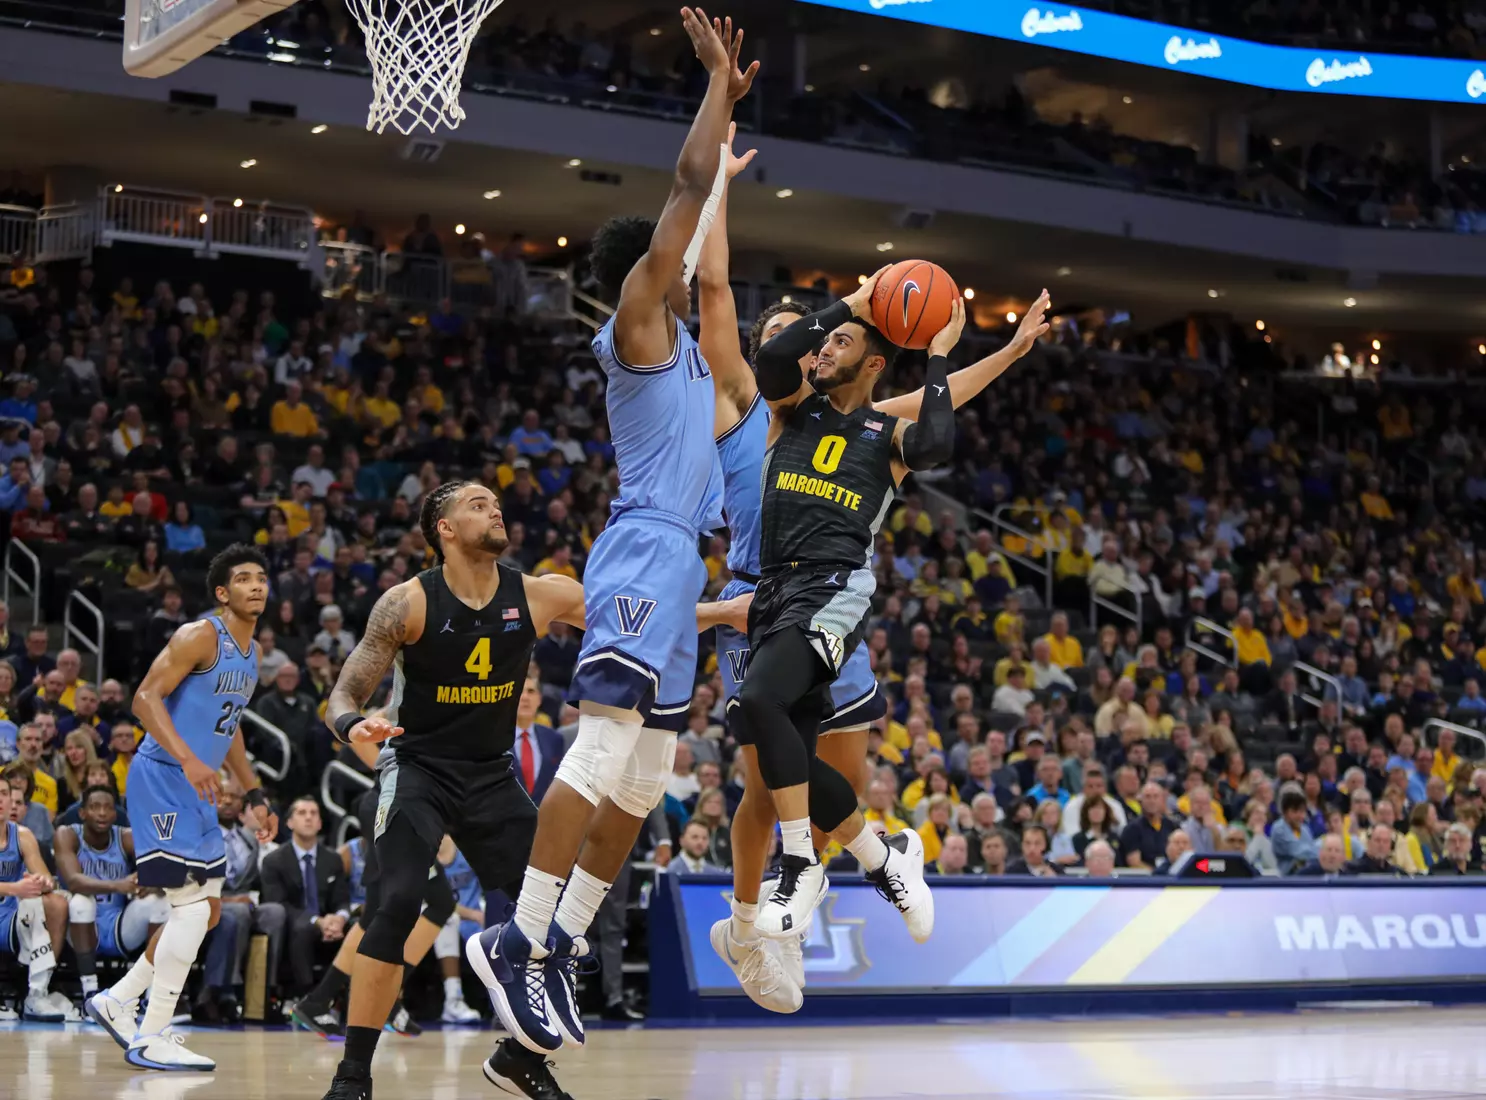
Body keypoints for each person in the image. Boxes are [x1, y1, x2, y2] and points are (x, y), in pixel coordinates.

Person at [695, 122, 1051, 1010]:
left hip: (827, 591)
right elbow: (716, 292)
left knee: (824, 776)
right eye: (788, 334)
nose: (806, 345)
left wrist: (1001, 354)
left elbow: (934, 414)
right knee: (759, 762)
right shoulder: (754, 399)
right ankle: (755, 925)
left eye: (814, 338)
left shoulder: (857, 421)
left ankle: (838, 868)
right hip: (756, 588)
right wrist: (718, 192)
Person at [479, 9, 761, 1062]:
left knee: (644, 782)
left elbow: (709, 230)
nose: (686, 260)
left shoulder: (692, 347)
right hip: (641, 543)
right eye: (674, 254)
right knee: (598, 748)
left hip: (680, 557)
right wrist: (713, 94)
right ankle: (517, 931)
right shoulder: (639, 323)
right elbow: (681, 202)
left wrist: (729, 169)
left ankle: (557, 944)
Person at [317, 480, 748, 1099]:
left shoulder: (540, 594)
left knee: (545, 917)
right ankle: (353, 1075)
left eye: (495, 502)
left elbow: (643, 621)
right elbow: (343, 693)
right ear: (442, 527)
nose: (494, 509)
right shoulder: (407, 604)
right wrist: (354, 724)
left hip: (491, 775)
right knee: (398, 902)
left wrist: (723, 614)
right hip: (418, 768)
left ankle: (521, 1057)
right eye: (476, 504)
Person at [85, 545, 279, 1071]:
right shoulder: (199, 636)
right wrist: (191, 760)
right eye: (244, 579)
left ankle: (118, 998)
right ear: (223, 592)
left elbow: (230, 722)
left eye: (261, 578)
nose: (256, 586)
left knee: (208, 910)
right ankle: (153, 1032)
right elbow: (144, 699)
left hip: (197, 785)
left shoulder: (253, 654)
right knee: (190, 908)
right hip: (161, 777)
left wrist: (255, 792)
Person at [54, 786, 169, 1007]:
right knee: (80, 901)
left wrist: (153, 883)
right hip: (80, 929)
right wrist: (119, 885)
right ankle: (90, 992)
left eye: (108, 808)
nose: (102, 813)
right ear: (82, 813)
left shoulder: (126, 837)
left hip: (118, 927)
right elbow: (74, 881)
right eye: (95, 807)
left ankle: (152, 994)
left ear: (116, 815)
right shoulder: (66, 834)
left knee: (159, 903)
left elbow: (164, 869)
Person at [0, 781, 74, 1021]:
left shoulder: (22, 835)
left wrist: (41, 883)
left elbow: (42, 876)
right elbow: (16, 888)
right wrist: (14, 888)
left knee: (53, 903)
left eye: (3, 794)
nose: (0, 800)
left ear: (12, 800)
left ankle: (37, 993)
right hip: (9, 902)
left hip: (10, 916)